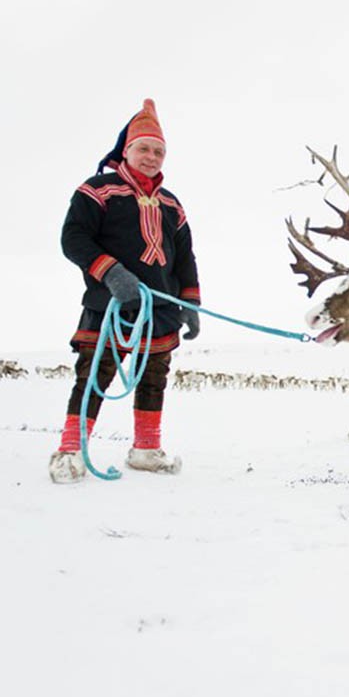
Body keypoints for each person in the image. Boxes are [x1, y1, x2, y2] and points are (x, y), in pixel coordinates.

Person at [48, 99, 201, 483]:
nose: (151, 157)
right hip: (110, 302)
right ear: (127, 150)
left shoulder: (172, 204)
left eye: (159, 151)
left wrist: (191, 302)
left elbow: (184, 257)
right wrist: (111, 272)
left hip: (161, 307)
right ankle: (70, 450)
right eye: (144, 149)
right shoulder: (98, 190)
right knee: (94, 375)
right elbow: (73, 238)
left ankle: (146, 450)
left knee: (154, 376)